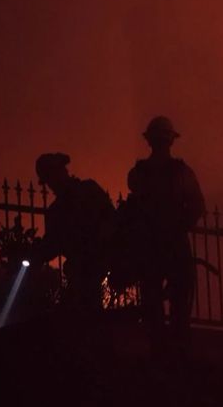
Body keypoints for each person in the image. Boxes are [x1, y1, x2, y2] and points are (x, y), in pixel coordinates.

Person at [126, 116, 205, 352]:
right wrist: (180, 226)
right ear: (171, 141)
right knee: (180, 299)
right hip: (174, 244)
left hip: (149, 245)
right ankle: (178, 350)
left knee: (152, 300)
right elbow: (198, 206)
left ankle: (158, 349)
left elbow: (134, 209)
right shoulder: (182, 172)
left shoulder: (137, 174)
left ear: (149, 141)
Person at [32, 152, 115, 313]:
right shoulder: (61, 207)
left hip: (91, 265)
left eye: (52, 177)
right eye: (49, 179)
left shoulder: (82, 195)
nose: (52, 184)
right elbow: (51, 245)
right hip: (84, 269)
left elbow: (110, 222)